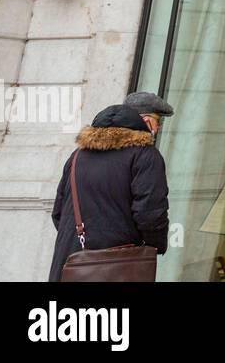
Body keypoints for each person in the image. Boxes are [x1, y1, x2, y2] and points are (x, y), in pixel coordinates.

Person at [48, 94, 173, 281]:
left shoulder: (77, 156)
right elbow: (150, 214)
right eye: (157, 121)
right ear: (146, 122)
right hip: (116, 267)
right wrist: (155, 245)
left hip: (69, 265)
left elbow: (58, 213)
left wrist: (85, 240)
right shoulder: (146, 156)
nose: (158, 127)